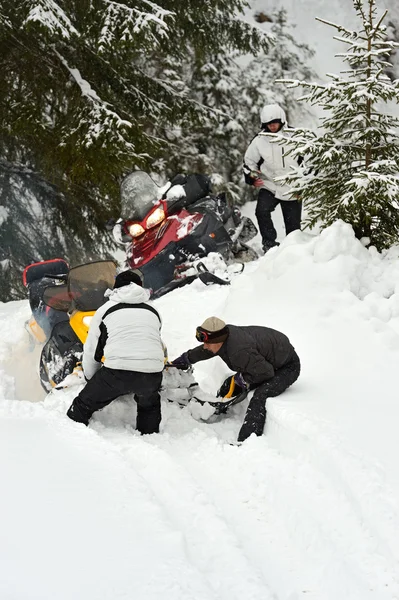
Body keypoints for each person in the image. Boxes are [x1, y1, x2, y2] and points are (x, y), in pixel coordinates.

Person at [171, 317, 300, 442]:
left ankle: (249, 439)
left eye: (207, 343)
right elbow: (204, 351)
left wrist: (244, 378)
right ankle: (217, 409)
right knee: (229, 383)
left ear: (218, 340)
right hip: (266, 362)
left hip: (286, 368)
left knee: (260, 395)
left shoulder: (238, 351)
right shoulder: (223, 338)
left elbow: (266, 373)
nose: (205, 346)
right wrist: (183, 359)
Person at [66, 270, 165, 434]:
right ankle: (150, 436)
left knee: (83, 404)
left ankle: (70, 433)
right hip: (152, 373)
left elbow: (92, 351)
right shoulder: (153, 311)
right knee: (149, 404)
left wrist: (91, 379)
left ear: (116, 288)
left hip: (117, 373)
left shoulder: (105, 310)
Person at [243, 103, 302, 253]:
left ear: (281, 120)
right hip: (270, 184)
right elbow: (249, 162)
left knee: (293, 227)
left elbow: (308, 160)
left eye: (275, 123)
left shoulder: (295, 137)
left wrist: (303, 182)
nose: (272, 126)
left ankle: (293, 250)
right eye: (269, 124)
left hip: (292, 186)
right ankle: (269, 245)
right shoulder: (259, 140)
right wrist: (252, 177)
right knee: (261, 211)